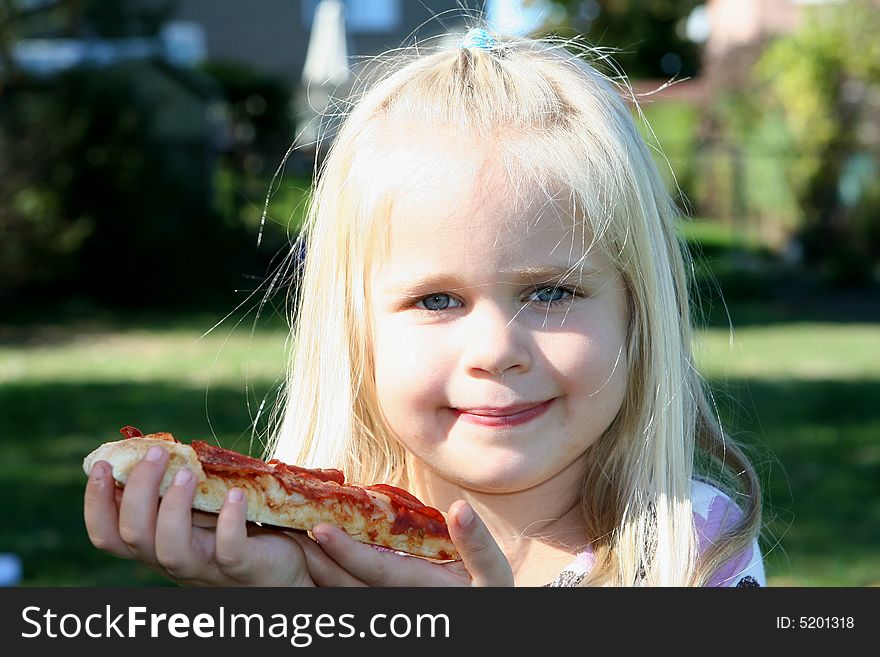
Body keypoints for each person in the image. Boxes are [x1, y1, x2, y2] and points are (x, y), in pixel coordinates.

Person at [84, 26, 766, 587]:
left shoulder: (695, 550)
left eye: (551, 291)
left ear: (636, 313)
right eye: (436, 298)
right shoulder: (303, 554)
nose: (497, 349)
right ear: (357, 334)